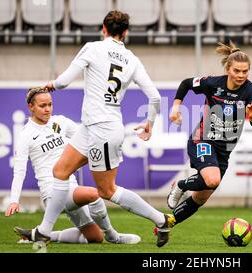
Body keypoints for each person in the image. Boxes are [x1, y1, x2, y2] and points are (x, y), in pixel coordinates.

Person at [16, 10, 175, 248]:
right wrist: (150, 123)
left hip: (102, 129)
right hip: (92, 126)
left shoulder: (92, 48)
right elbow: (154, 97)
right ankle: (44, 231)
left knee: (107, 190)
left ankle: (161, 219)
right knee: (60, 171)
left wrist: (52, 84)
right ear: (125, 33)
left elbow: (64, 81)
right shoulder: (131, 58)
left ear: (103, 28)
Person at [9, 87, 140, 245]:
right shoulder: (26, 135)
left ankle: (36, 235)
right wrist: (14, 200)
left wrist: (123, 134)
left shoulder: (60, 122)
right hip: (52, 192)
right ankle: (113, 236)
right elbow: (19, 171)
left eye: (50, 104)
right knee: (94, 194)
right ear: (31, 107)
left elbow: (89, 137)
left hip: (72, 188)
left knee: (95, 238)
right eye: (42, 106)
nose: (47, 109)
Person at [167, 41, 252, 224]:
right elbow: (186, 84)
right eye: (236, 71)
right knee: (212, 180)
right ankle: (179, 185)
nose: (241, 75)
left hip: (224, 149)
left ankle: (167, 223)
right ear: (228, 69)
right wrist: (175, 107)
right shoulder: (212, 83)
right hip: (203, 139)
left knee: (201, 197)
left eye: (245, 71)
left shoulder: (251, 91)